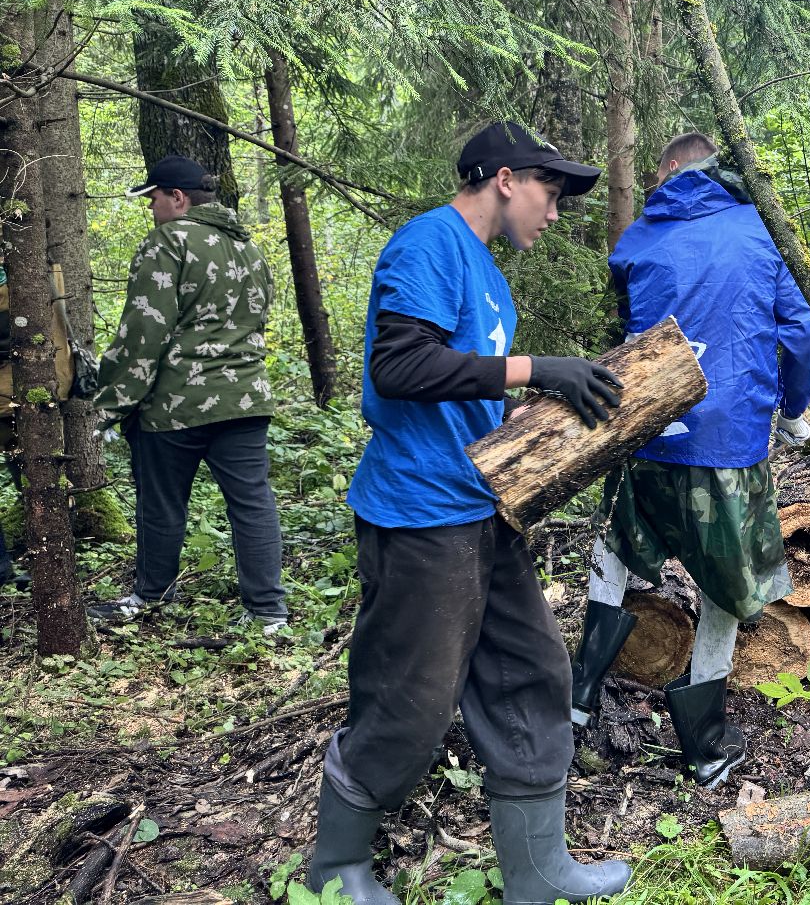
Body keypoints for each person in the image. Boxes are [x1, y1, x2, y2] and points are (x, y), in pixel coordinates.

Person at [307, 122, 629, 905]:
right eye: (550, 194)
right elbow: (401, 363)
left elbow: (463, 384)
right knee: (411, 699)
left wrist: (538, 414)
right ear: (507, 178)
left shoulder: (486, 272)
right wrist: (533, 368)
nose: (554, 214)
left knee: (531, 672)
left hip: (485, 509)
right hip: (419, 513)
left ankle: (537, 872)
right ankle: (336, 867)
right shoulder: (427, 244)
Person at [570, 132, 810, 788]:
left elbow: (630, 330)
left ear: (670, 170)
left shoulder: (640, 237)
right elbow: (799, 329)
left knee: (620, 544)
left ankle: (579, 691)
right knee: (724, 581)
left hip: (647, 429)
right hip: (728, 441)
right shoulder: (759, 226)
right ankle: (705, 746)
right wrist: (794, 409)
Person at [88, 156, 288, 631]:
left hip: (175, 406)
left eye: (153, 198)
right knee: (253, 504)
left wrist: (111, 404)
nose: (151, 209)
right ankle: (269, 613)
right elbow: (254, 324)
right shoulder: (250, 252)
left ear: (177, 197)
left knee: (161, 502)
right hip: (246, 399)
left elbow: (144, 331)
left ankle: (150, 597)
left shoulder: (169, 241)